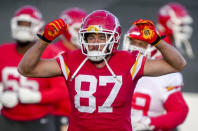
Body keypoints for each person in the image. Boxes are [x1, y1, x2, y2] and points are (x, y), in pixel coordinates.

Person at [18, 10, 186, 131]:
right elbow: (25, 69)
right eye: (91, 37)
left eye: (102, 36)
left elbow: (177, 65)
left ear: (114, 38)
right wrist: (43, 41)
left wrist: (157, 41)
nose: (95, 42)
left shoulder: (129, 61)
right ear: (83, 38)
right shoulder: (72, 59)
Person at [0, 5, 67, 131]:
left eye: (27, 24)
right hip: (7, 118)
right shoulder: (2, 51)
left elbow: (62, 91)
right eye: (20, 24)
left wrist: (36, 96)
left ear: (38, 26)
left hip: (40, 120)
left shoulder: (52, 53)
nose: (23, 28)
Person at [123, 24, 189, 131]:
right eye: (132, 42)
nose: (135, 47)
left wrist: (149, 123)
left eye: (141, 43)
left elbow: (180, 111)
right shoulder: (116, 65)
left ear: (153, 47)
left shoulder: (164, 75)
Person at [52, 7, 87, 131]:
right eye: (77, 29)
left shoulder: (90, 52)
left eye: (84, 30)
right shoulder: (53, 52)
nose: (81, 33)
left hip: (84, 114)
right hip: (57, 114)